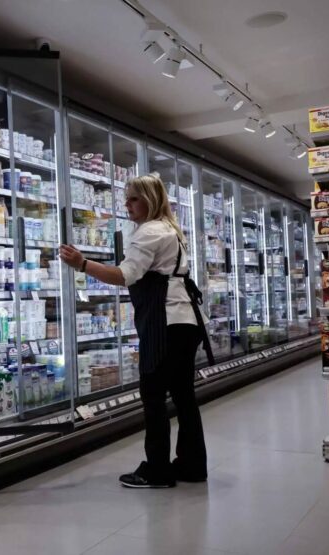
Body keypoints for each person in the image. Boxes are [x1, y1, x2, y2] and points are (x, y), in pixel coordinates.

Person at [59, 173, 214, 488]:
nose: (127, 204)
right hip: (186, 319)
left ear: (150, 200)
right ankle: (192, 465)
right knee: (184, 396)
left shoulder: (149, 232)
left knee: (153, 395)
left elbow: (124, 275)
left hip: (165, 322)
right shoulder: (169, 228)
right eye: (126, 198)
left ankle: (157, 470)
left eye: (133, 199)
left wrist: (82, 264)